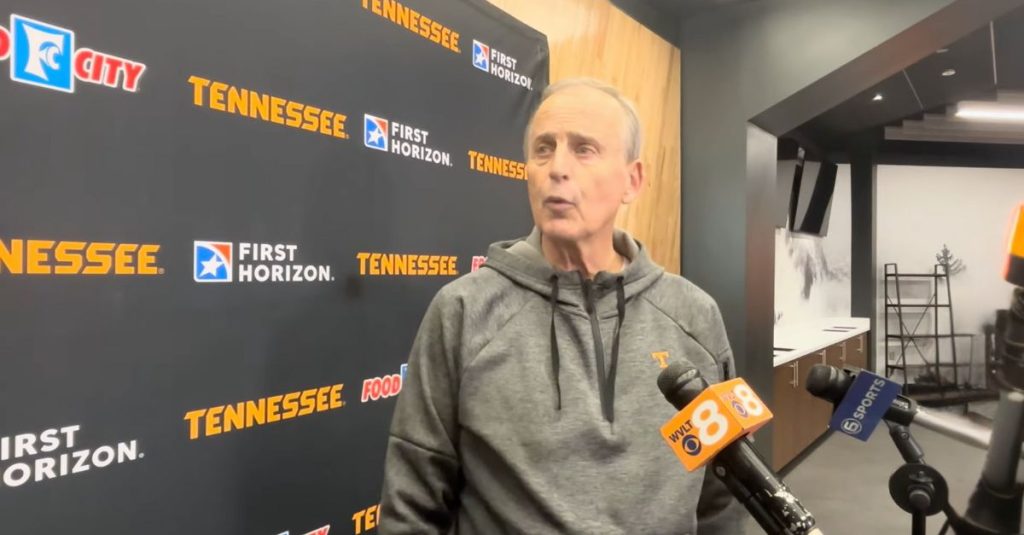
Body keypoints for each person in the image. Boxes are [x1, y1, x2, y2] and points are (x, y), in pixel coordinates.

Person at [380, 78, 742, 534]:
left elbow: (721, 495)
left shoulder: (695, 315)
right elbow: (412, 504)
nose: (557, 168)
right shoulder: (463, 311)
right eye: (543, 149)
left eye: (584, 149)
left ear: (632, 180)